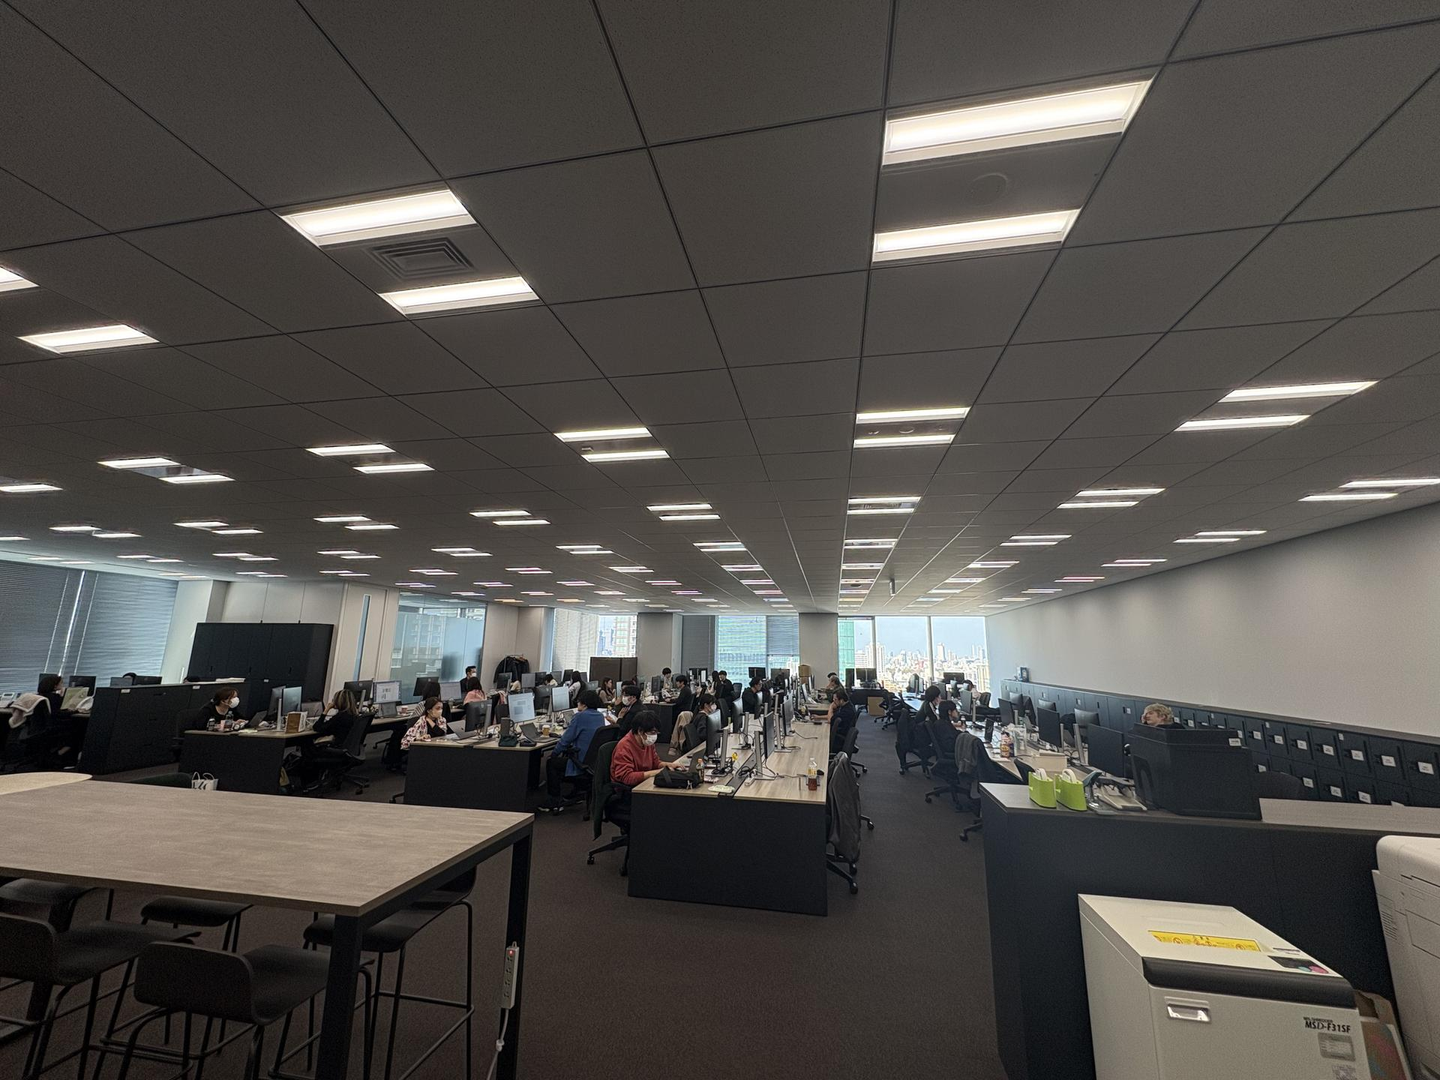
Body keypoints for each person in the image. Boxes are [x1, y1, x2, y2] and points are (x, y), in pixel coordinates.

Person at [544, 689, 607, 811]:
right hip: (594, 761)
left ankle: (554, 800)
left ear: (584, 704)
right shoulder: (599, 716)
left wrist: (554, 753)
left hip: (581, 762)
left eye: (579, 702)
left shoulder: (580, 717)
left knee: (551, 763)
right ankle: (576, 791)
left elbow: (565, 740)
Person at [610, 711, 669, 785]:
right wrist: (653, 773)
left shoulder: (647, 742)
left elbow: (655, 763)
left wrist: (669, 765)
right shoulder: (624, 746)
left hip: (643, 781)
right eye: (653, 732)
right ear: (640, 731)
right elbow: (626, 777)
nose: (654, 736)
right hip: (628, 788)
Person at [829, 687, 858, 756]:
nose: (833, 701)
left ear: (841, 700)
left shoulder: (846, 712)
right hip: (841, 735)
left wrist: (831, 707)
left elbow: (830, 719)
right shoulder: (846, 706)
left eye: (835, 699)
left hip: (839, 740)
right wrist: (818, 717)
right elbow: (834, 716)